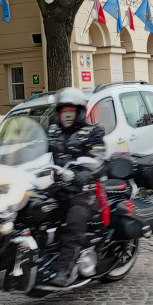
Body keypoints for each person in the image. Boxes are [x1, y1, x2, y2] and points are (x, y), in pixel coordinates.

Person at [46, 87, 107, 287]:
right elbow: (35, 151)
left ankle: (64, 269)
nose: (67, 115)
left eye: (71, 111)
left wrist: (85, 173)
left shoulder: (93, 132)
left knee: (74, 222)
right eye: (63, 111)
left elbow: (99, 158)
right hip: (56, 188)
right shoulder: (52, 132)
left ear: (80, 112)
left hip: (84, 191)